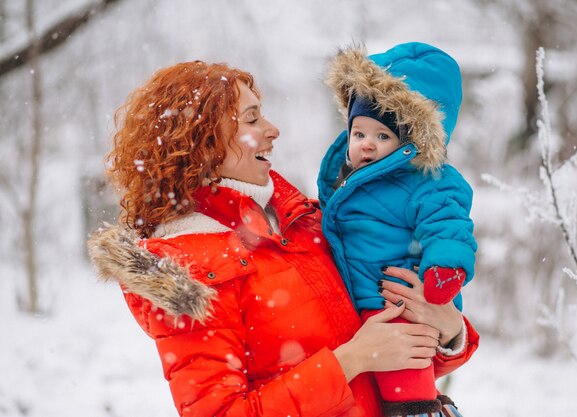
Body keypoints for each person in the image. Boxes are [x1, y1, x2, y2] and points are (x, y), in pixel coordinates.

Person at [87, 60, 479, 417]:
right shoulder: (184, 268)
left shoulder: (307, 223)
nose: (273, 130)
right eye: (252, 119)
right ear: (204, 141)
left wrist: (447, 329)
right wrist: (352, 360)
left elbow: (397, 358)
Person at [318, 43, 478, 416]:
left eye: (383, 136)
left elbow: (449, 227)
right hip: (365, 299)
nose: (367, 144)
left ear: (411, 142)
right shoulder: (350, 179)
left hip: (401, 299)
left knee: (404, 368)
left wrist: (444, 272)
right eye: (359, 134)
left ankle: (420, 408)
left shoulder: (430, 181)